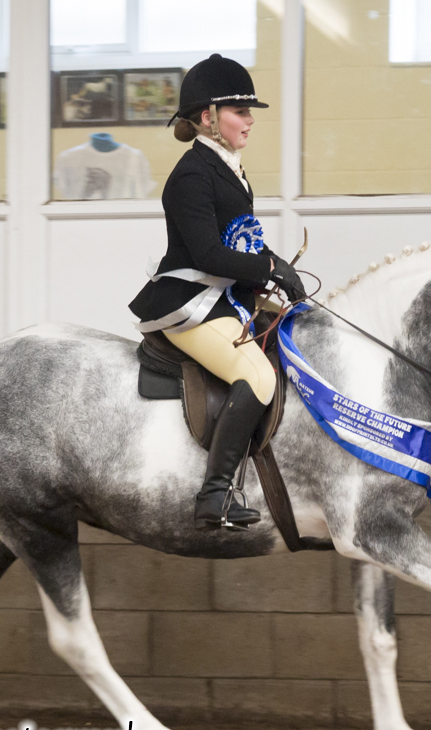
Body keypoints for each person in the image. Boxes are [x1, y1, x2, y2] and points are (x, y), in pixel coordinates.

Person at [129, 54, 305, 531]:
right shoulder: (192, 175)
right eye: (239, 111)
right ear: (208, 118)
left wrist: (275, 265)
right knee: (259, 378)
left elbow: (239, 237)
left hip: (225, 298)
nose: (249, 120)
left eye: (250, 112)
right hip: (189, 304)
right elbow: (208, 253)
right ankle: (215, 495)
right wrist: (266, 266)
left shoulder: (229, 168)